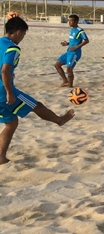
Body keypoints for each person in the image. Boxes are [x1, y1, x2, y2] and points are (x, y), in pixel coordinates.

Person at [1, 17, 75, 165]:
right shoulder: (13, 48)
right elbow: (5, 70)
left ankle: (1, 157)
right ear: (18, 32)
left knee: (11, 123)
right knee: (37, 106)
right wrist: (9, 92)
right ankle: (59, 120)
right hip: (3, 91)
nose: (22, 38)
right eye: (23, 35)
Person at [54, 14, 89, 87]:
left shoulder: (80, 31)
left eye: (71, 21)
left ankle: (70, 86)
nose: (69, 22)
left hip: (75, 53)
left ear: (76, 22)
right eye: (68, 21)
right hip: (68, 51)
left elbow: (86, 40)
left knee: (69, 69)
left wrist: (76, 47)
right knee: (57, 65)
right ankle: (65, 81)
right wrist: (67, 43)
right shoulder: (71, 29)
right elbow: (74, 41)